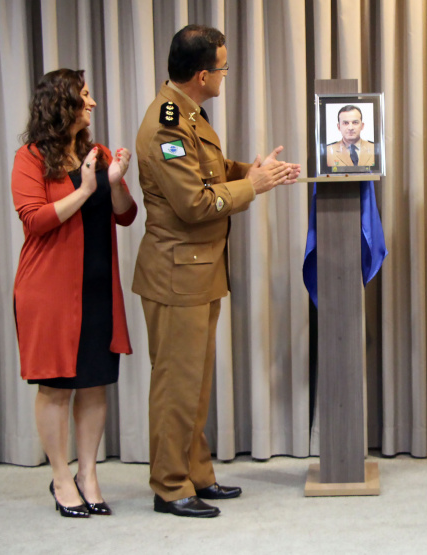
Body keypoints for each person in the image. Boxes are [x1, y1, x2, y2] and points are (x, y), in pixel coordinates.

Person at [133, 24, 300, 518]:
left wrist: (246, 171)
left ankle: (196, 474)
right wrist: (256, 187)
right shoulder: (166, 125)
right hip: (175, 275)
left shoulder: (188, 115)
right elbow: (193, 204)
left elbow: (206, 171)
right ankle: (168, 486)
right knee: (175, 385)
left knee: (196, 383)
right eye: (222, 68)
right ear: (203, 74)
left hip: (199, 271)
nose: (226, 75)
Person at [12, 69, 137, 517]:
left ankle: (89, 474)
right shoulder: (29, 158)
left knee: (93, 383)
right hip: (48, 290)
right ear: (63, 102)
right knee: (57, 386)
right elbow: (35, 220)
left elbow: (125, 216)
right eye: (85, 95)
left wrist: (116, 180)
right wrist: (85, 189)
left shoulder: (98, 153)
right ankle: (61, 477)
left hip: (98, 287)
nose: (93, 103)